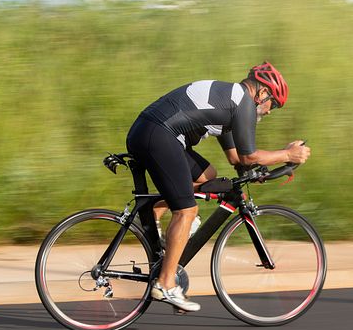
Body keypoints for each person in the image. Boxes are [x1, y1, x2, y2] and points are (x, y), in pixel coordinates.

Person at [126, 61, 310, 312]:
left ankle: (157, 212)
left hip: (150, 131)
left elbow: (237, 159)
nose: (269, 111)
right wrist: (288, 155)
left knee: (208, 175)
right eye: (273, 104)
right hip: (158, 135)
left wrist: (260, 173)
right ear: (263, 93)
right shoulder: (243, 104)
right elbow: (249, 156)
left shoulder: (231, 100)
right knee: (187, 212)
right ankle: (166, 284)